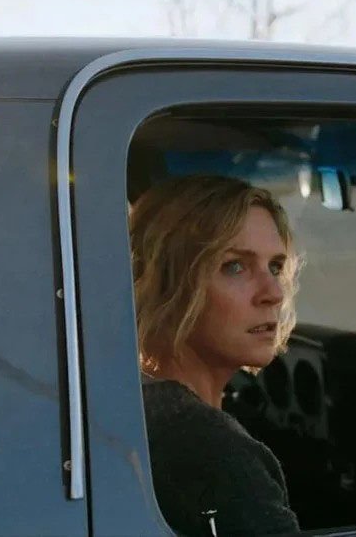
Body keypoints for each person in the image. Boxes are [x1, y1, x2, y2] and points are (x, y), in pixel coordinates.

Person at [131, 175, 301, 537]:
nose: (273, 292)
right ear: (167, 283)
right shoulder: (210, 448)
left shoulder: (136, 404)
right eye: (235, 266)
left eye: (275, 267)